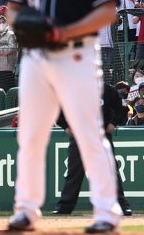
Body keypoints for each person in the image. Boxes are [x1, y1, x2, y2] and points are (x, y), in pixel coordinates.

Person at [4, 0, 122, 234]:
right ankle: (25, 209)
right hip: (37, 58)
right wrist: (28, 26)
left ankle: (106, 212)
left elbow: (108, 11)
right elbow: (12, 10)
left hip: (77, 56)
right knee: (31, 135)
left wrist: (62, 30)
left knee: (89, 134)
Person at [54, 83, 133, 217]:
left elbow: (122, 108)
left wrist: (113, 122)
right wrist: (65, 125)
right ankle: (64, 207)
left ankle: (121, 205)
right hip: (80, 136)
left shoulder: (106, 89)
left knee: (111, 171)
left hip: (101, 136)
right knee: (74, 173)